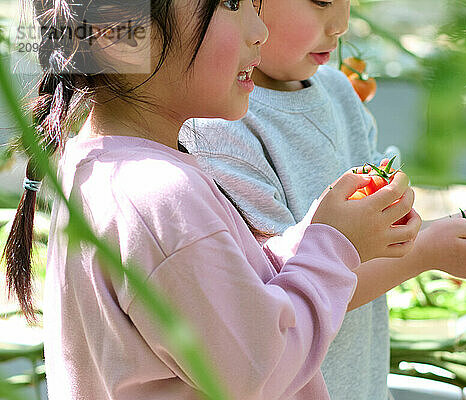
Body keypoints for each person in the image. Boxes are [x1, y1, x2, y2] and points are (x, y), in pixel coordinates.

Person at [2, 0, 420, 399]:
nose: (259, 32)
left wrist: (317, 233)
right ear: (124, 36)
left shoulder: (102, 165)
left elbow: (223, 295)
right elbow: (260, 369)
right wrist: (332, 246)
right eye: (231, 4)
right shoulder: (160, 195)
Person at [179, 0, 466, 398]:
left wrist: (445, 233)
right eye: (321, 2)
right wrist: (425, 251)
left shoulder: (338, 90)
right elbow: (280, 299)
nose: (340, 24)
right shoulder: (217, 127)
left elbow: (385, 234)